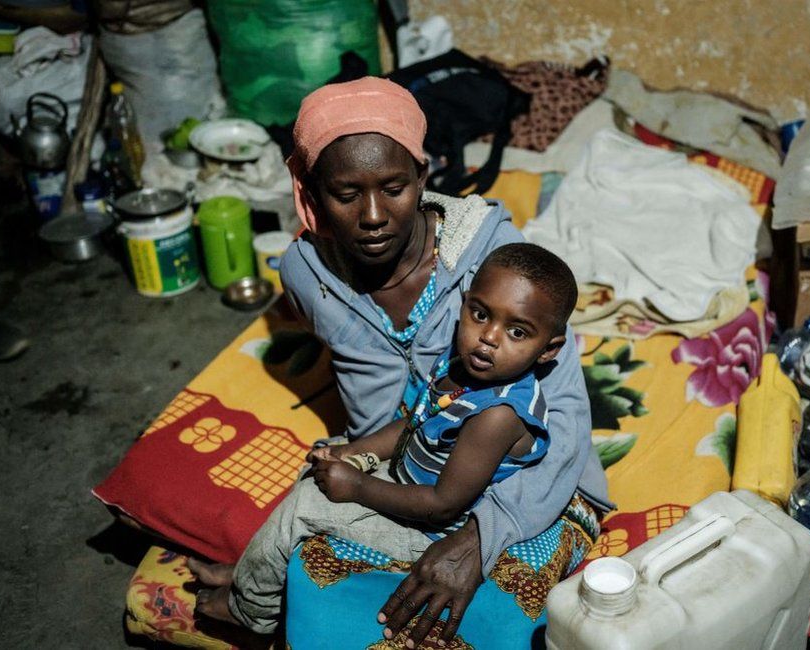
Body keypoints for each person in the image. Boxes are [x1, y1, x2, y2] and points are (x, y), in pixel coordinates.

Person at [192, 77, 610, 647]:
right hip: (413, 462)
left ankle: (255, 596)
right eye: (345, 194)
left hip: (526, 490)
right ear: (310, 191)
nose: (373, 215)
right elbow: (399, 413)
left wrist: (481, 538)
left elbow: (564, 421)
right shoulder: (306, 274)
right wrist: (361, 463)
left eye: (394, 188)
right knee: (313, 523)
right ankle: (256, 584)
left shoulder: (494, 264)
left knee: (490, 609)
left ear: (422, 176)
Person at [190, 242, 580, 633]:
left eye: (517, 332)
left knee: (306, 505)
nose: (489, 337)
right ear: (464, 304)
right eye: (480, 314)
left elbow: (442, 506)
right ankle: (256, 572)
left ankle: (252, 610)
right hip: (410, 483)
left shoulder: (497, 415)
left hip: (428, 529)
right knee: (321, 464)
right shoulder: (462, 367)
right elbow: (414, 424)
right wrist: (352, 451)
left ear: (548, 350)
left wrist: (358, 486)